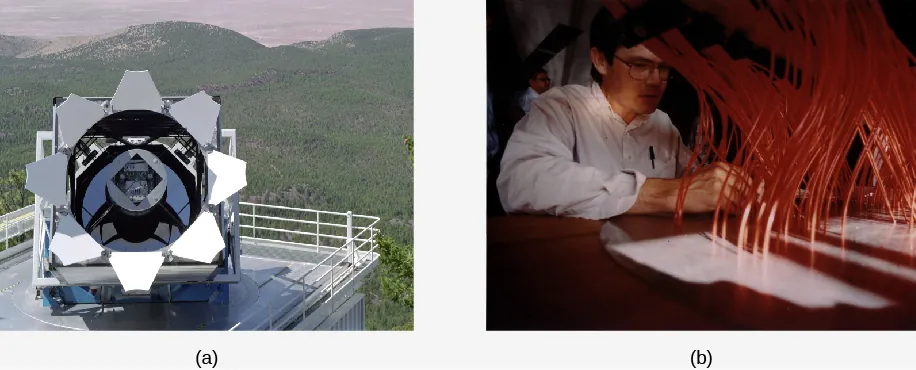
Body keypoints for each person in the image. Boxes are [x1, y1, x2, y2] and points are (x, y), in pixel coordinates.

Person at [496, 7, 756, 220]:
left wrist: (726, 187)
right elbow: (520, 181)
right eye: (639, 65)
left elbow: (694, 179)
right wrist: (666, 194)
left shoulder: (662, 124)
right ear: (599, 61)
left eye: (664, 68)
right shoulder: (563, 107)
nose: (656, 80)